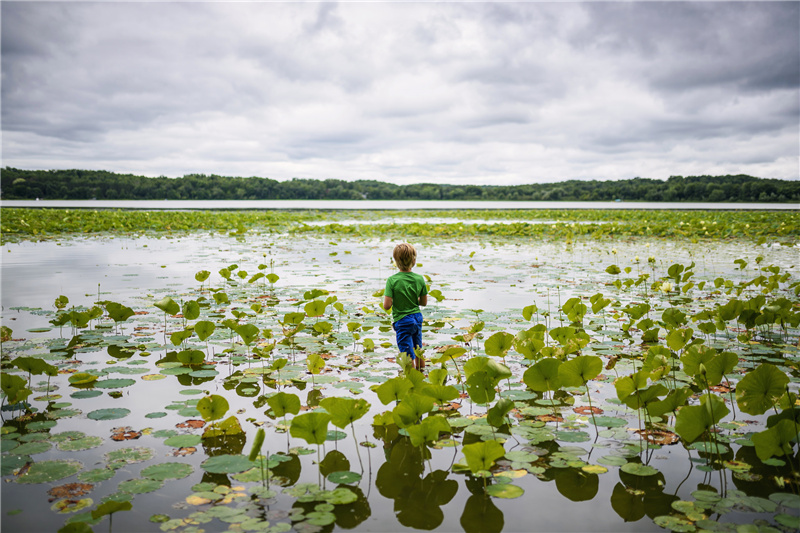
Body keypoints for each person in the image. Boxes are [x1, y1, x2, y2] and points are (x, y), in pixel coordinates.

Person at [383, 243, 428, 371]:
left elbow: (387, 306)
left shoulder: (392, 280)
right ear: (414, 260)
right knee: (418, 350)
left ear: (396, 261)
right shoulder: (419, 279)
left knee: (407, 355)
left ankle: (411, 380)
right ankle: (422, 375)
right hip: (417, 318)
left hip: (402, 321)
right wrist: (412, 299)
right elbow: (424, 302)